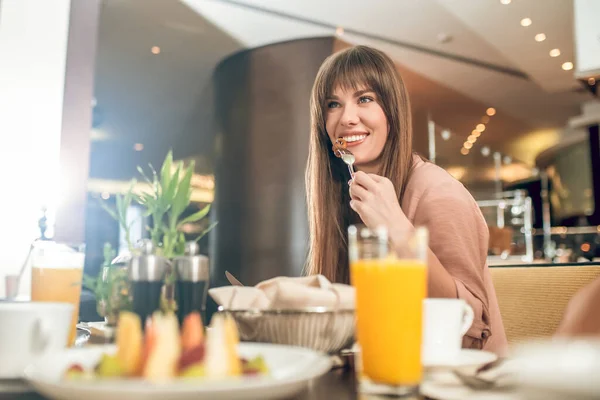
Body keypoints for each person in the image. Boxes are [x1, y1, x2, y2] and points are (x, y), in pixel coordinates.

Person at [305, 45, 508, 355]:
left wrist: (396, 228)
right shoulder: (342, 195)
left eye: (365, 99)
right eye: (333, 104)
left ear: (392, 112)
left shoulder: (437, 192)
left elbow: (469, 331)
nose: (347, 118)